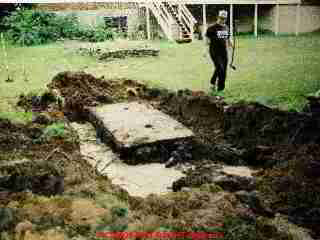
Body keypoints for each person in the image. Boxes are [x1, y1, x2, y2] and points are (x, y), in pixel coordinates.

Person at [206, 10, 233, 92]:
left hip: (223, 52)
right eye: (221, 18)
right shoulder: (212, 27)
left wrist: (231, 44)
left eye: (224, 19)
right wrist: (206, 47)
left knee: (224, 70)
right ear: (218, 17)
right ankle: (212, 83)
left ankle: (220, 88)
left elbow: (227, 38)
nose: (222, 20)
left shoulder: (226, 28)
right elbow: (207, 38)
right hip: (214, 51)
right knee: (219, 67)